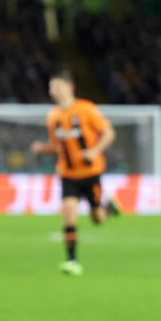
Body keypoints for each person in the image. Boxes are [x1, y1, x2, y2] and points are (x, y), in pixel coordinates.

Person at [30, 69, 120, 275]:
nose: (54, 91)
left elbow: (109, 132)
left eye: (58, 87)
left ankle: (108, 208)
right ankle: (72, 261)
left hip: (91, 173)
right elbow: (57, 145)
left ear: (70, 88)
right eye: (51, 88)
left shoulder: (86, 109)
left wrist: (94, 151)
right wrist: (42, 149)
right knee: (69, 215)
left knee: (97, 219)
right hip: (68, 175)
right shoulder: (52, 117)